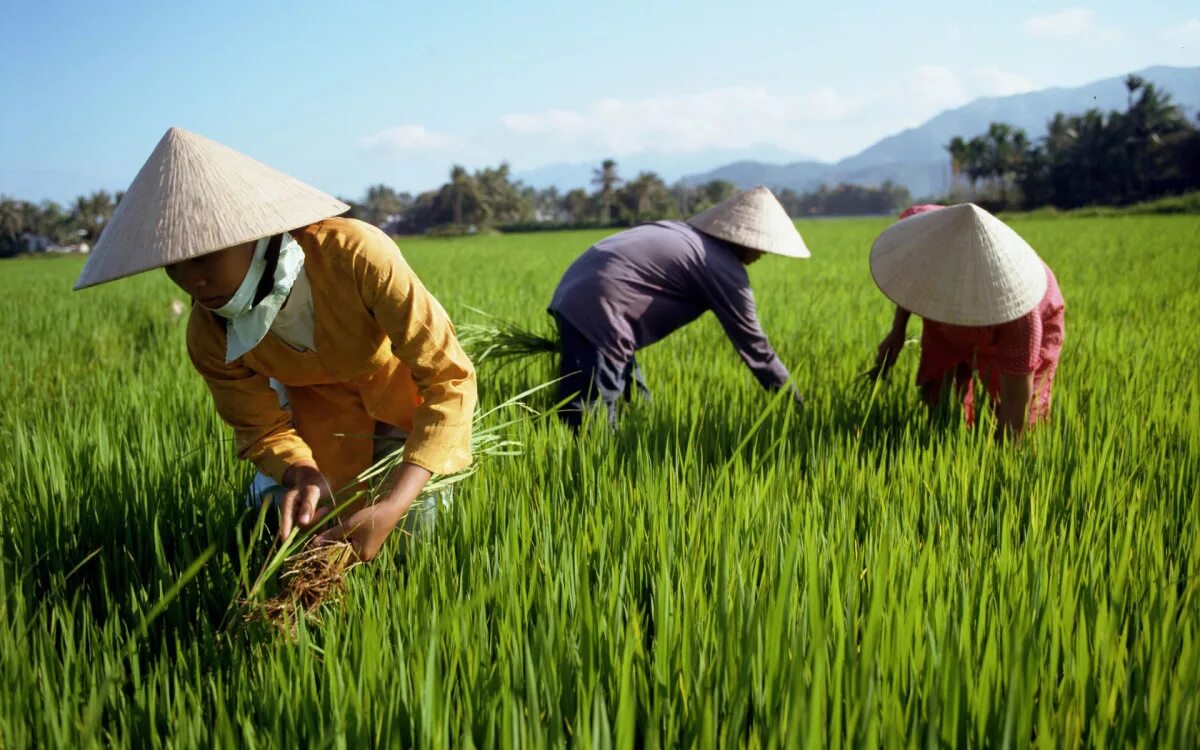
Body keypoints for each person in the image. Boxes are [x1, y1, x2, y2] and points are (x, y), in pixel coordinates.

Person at [74, 127, 476, 561]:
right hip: (316, 417)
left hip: (399, 402)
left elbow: (448, 379)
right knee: (283, 520)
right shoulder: (210, 333)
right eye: (172, 264)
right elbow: (261, 428)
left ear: (253, 233)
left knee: (418, 524)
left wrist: (395, 504)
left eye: (204, 255)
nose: (191, 280)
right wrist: (300, 472)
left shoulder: (355, 255)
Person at [547, 186, 808, 428]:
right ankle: (585, 467)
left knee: (636, 405)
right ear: (744, 239)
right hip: (602, 312)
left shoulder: (682, 233)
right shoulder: (723, 269)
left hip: (576, 296)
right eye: (761, 247)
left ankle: (623, 461)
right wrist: (796, 405)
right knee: (591, 417)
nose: (762, 255)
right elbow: (757, 349)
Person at [871, 203, 1065, 439]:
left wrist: (1002, 462)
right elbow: (914, 277)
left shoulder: (1021, 315)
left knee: (1011, 411)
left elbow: (1016, 401)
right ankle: (945, 440)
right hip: (943, 324)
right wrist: (897, 330)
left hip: (1004, 326)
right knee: (941, 395)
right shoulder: (931, 229)